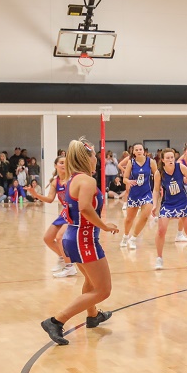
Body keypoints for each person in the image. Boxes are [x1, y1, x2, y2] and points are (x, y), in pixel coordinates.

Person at [40, 138, 119, 346]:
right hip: (84, 239)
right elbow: (84, 207)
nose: (97, 158)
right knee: (103, 290)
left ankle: (93, 316)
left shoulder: (73, 179)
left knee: (91, 283)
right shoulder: (87, 181)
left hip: (74, 237)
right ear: (87, 158)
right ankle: (56, 321)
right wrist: (104, 225)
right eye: (94, 154)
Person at [153, 148, 187, 270]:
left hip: (182, 201)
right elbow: (155, 190)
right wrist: (154, 205)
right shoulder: (159, 173)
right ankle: (159, 258)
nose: (170, 160)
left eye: (172, 157)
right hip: (168, 203)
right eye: (168, 158)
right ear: (163, 160)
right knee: (161, 230)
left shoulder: (181, 167)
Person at [27, 156, 76, 276]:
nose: (64, 164)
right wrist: (35, 194)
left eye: (66, 162)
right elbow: (49, 199)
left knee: (60, 238)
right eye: (61, 162)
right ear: (56, 165)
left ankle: (70, 267)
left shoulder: (73, 178)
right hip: (65, 212)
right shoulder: (55, 182)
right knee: (48, 238)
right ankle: (62, 258)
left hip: (75, 211)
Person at [121, 144, 157, 250]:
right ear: (134, 152)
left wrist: (160, 186)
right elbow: (125, 178)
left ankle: (133, 238)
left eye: (140, 149)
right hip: (134, 193)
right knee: (129, 219)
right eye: (136, 150)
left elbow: (157, 174)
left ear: (144, 150)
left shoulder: (151, 161)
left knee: (145, 216)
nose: (139, 151)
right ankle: (125, 236)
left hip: (146, 192)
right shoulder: (130, 162)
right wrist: (128, 181)